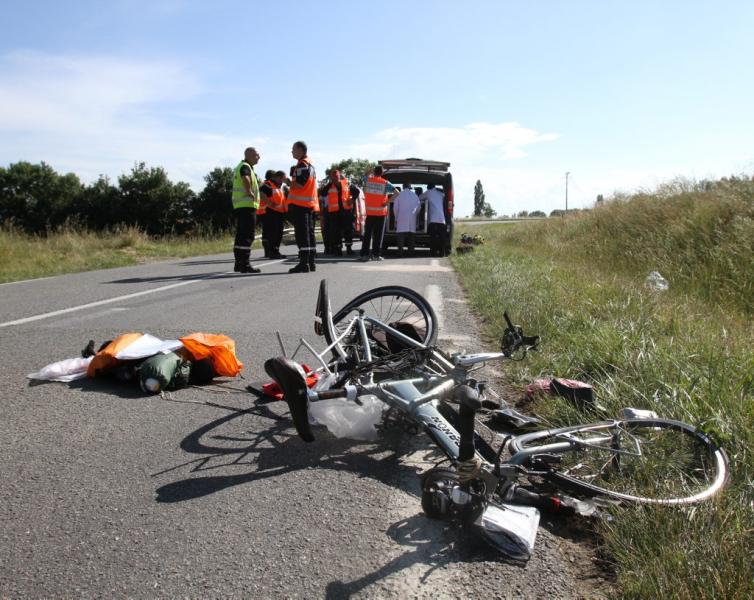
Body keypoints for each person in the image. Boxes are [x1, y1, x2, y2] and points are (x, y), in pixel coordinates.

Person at [287, 140, 318, 273]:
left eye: (293, 149)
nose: (292, 151)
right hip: (309, 205)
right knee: (309, 234)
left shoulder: (302, 164)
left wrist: (288, 182)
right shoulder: (309, 164)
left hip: (301, 205)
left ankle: (304, 263)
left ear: (300, 150)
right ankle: (310, 262)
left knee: (302, 234)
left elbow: (299, 184)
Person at [231, 147, 261, 273]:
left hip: (240, 206)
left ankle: (238, 263)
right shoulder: (245, 167)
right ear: (249, 155)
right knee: (248, 236)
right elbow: (245, 178)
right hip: (247, 205)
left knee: (240, 236)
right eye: (257, 155)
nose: (259, 157)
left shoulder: (243, 166)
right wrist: (249, 191)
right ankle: (245, 264)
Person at [360, 165, 397, 261]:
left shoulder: (368, 180)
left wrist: (370, 171)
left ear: (374, 172)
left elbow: (365, 173)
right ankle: (376, 255)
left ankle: (364, 255)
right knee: (378, 236)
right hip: (380, 213)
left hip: (370, 212)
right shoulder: (385, 183)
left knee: (367, 234)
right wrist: (386, 202)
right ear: (382, 173)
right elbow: (397, 192)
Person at [321, 169, 354, 256]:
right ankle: (338, 250)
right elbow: (322, 193)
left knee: (348, 231)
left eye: (336, 177)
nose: (335, 179)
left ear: (339, 177)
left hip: (346, 212)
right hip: (334, 213)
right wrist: (329, 184)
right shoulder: (329, 186)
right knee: (336, 233)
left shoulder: (346, 183)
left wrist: (352, 199)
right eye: (333, 177)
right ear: (331, 178)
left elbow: (356, 192)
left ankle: (349, 248)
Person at [259, 170, 287, 259]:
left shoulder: (278, 186)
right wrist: (270, 203)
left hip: (279, 212)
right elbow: (261, 193)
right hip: (271, 212)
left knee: (278, 232)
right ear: (278, 177)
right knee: (273, 233)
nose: (283, 182)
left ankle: (275, 251)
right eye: (282, 179)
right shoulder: (269, 184)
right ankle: (273, 252)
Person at [392, 184, 420, 257]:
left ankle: (400, 253)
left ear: (403, 187)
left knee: (400, 235)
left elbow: (395, 208)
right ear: (410, 188)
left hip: (401, 217)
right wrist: (415, 215)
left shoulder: (399, 195)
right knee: (411, 236)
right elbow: (419, 207)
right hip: (412, 217)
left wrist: (396, 218)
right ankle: (411, 253)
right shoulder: (415, 196)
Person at [420, 183, 447, 257]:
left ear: (428, 187)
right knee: (442, 238)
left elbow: (419, 198)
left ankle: (433, 253)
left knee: (433, 238)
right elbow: (444, 195)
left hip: (433, 220)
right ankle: (442, 253)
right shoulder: (440, 194)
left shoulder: (428, 193)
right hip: (442, 220)